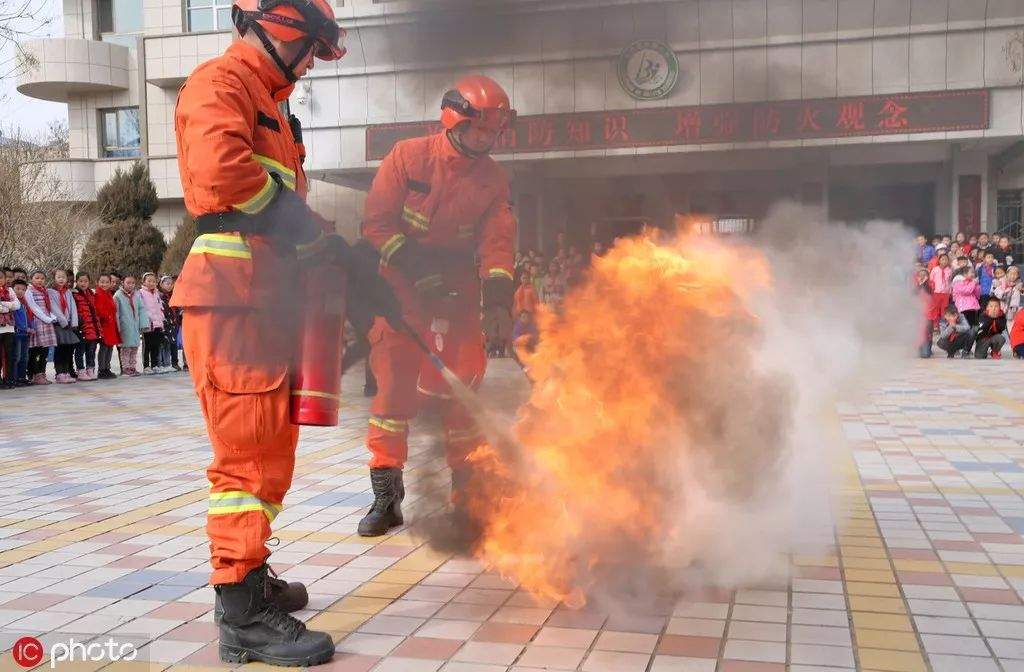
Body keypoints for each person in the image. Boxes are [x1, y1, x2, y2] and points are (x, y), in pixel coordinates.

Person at [170, 0, 382, 662]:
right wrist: (301, 226)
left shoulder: (275, 105)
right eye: (312, 48)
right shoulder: (222, 83)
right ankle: (242, 614)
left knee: (271, 452)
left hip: (266, 300)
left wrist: (326, 247)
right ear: (281, 30)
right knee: (246, 462)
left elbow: (285, 209)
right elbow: (222, 173)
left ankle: (250, 574)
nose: (313, 64)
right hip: (234, 302)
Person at [357, 75, 517, 539]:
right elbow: (376, 224)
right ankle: (387, 498)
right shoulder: (408, 157)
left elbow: (498, 240)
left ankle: (465, 496)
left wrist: (500, 299)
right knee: (393, 395)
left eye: (493, 134)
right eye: (480, 132)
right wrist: (413, 265)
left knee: (463, 388)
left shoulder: (492, 178)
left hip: (458, 289)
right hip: (401, 287)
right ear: (454, 120)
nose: (486, 141)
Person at [23, 271, 57, 385]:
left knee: (45, 350)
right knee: (37, 349)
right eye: (37, 278)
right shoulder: (29, 291)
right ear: (31, 279)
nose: (40, 280)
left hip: (46, 322)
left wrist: (52, 316)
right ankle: (35, 373)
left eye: (42, 278)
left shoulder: (44, 291)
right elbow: (33, 307)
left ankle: (42, 372)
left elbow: (48, 307)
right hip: (37, 322)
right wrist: (46, 318)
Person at [49, 269, 79, 384]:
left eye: (63, 277)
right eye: (59, 277)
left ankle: (66, 371)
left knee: (67, 349)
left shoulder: (68, 292)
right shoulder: (51, 292)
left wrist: (74, 322)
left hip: (69, 325)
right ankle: (59, 373)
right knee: (60, 349)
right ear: (54, 278)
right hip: (59, 324)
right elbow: (53, 308)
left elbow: (73, 308)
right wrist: (63, 321)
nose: (61, 279)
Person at [115, 275, 148, 376]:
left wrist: (143, 324)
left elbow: (142, 309)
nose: (131, 285)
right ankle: (126, 368)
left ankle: (133, 367)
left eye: (133, 283)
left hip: (135, 326)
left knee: (134, 348)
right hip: (124, 326)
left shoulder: (136, 295)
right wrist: (118, 327)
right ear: (123, 283)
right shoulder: (118, 295)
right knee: (126, 348)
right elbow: (115, 312)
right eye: (128, 283)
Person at [72, 272, 101, 381]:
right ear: (76, 282)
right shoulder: (74, 294)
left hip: (92, 327)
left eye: (85, 281)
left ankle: (90, 369)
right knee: (80, 350)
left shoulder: (91, 294)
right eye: (80, 281)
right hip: (81, 327)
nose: (83, 283)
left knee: (92, 350)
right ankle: (80, 370)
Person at [138, 272, 166, 374]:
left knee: (156, 345)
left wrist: (161, 319)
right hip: (148, 323)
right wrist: (146, 318)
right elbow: (141, 308)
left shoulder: (157, 293)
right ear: (144, 282)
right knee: (147, 346)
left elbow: (160, 308)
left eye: (153, 281)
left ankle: (155, 365)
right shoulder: (140, 293)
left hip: (158, 323)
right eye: (149, 281)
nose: (151, 283)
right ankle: (146, 366)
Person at [0, 272, 19, 389]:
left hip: (9, 327)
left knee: (9, 354)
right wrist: (7, 307)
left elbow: (17, 305)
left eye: (1, 277)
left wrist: (4, 304)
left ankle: (8, 379)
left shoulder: (10, 291)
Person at [11, 280, 31, 385]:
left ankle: (22, 377)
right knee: (16, 356)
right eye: (18, 289)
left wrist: (31, 327)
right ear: (12, 289)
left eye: (23, 289)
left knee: (24, 356)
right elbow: (15, 319)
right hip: (17, 334)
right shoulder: (13, 303)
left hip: (25, 334)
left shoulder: (24, 303)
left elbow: (28, 318)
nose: (20, 291)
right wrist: (24, 327)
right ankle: (14, 378)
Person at [159, 275, 180, 371]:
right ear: (161, 284)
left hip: (174, 322)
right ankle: (163, 363)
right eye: (167, 283)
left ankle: (175, 362)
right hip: (164, 322)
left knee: (174, 343)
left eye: (171, 284)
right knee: (164, 343)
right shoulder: (160, 296)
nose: (170, 286)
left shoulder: (175, 295)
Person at [929, 253, 952, 329]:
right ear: (939, 260)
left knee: (944, 309)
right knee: (936, 309)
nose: (944, 261)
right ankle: (935, 325)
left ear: (948, 261)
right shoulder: (935, 269)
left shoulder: (949, 270)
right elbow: (931, 280)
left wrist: (950, 292)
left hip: (946, 293)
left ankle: (943, 325)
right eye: (942, 259)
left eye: (946, 259)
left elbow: (950, 281)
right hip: (936, 292)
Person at [915, 268, 934, 358]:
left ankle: (928, 348)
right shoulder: (915, 286)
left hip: (928, 314)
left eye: (924, 274)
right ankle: (918, 347)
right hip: (917, 314)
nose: (922, 276)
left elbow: (929, 292)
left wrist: (924, 283)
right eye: (920, 274)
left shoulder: (930, 284)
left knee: (928, 332)